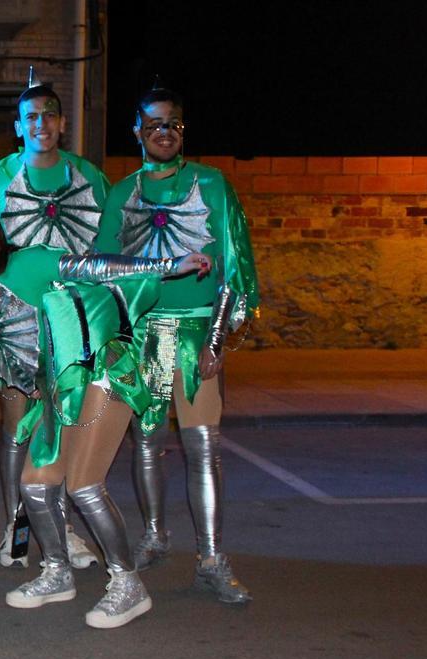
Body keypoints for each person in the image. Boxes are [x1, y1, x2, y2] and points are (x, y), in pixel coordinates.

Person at [0, 198, 210, 628]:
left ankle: (128, 584)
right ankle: (57, 572)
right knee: (36, 486)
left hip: (102, 370)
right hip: (58, 391)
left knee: (85, 485)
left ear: (0, 237)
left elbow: (96, 268)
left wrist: (169, 265)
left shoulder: (30, 262)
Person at [94, 86, 260, 604]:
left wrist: (217, 338)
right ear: (137, 132)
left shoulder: (211, 185)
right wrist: (117, 337)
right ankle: (154, 536)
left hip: (195, 333)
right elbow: (103, 267)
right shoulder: (122, 194)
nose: (164, 133)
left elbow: (233, 263)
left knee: (203, 446)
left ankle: (211, 558)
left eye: (173, 124)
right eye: (154, 125)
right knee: (146, 443)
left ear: (183, 130)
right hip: (143, 334)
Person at [0, 69, 109, 569]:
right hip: (15, 323)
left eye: (49, 115)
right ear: (18, 126)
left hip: (75, 322)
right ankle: (17, 530)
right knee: (18, 425)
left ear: (62, 123)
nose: (40, 124)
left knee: (64, 425)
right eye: (31, 117)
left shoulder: (89, 178)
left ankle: (61, 526)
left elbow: (109, 247)